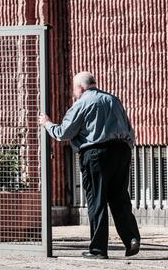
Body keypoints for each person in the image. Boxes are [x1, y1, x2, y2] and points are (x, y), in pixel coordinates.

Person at [39, 71, 140, 259]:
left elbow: (63, 132)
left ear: (81, 87)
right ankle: (132, 238)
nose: (73, 94)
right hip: (122, 151)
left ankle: (98, 249)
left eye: (74, 89)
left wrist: (47, 124)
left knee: (97, 200)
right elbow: (129, 129)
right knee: (120, 198)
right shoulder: (113, 100)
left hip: (96, 154)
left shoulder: (82, 103)